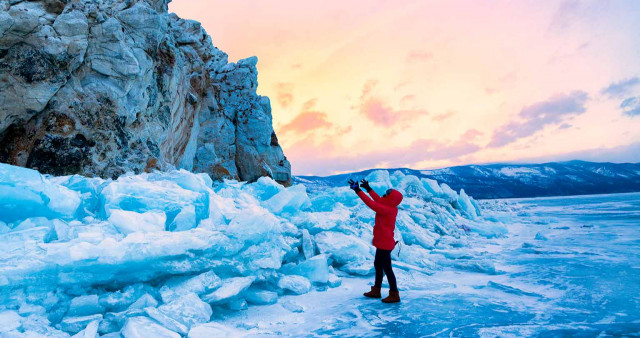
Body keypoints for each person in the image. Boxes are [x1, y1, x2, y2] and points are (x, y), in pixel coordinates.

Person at [348, 178, 403, 303]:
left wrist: (358, 190)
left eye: (387, 194)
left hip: (385, 243)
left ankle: (394, 294)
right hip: (383, 242)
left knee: (387, 269)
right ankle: (376, 290)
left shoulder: (387, 209)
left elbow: (371, 203)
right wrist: (368, 189)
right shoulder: (389, 205)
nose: (384, 195)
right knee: (378, 266)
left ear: (390, 199)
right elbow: (378, 200)